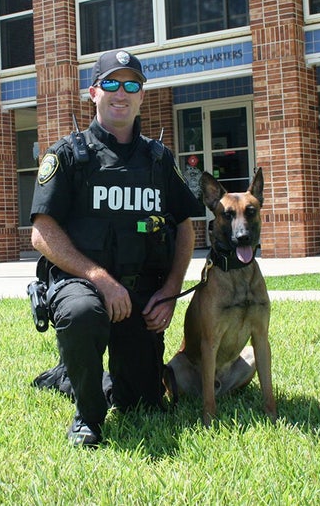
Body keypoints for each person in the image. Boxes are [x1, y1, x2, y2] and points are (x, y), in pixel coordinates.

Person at [29, 49, 204, 447]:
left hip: (141, 295)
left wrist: (171, 292)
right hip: (83, 285)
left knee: (140, 401)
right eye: (110, 83)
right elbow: (41, 232)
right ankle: (87, 418)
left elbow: (184, 227)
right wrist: (100, 280)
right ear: (93, 92)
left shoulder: (159, 160)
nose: (120, 92)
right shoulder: (69, 155)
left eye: (131, 84)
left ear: (142, 95)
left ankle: (74, 375)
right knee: (81, 312)